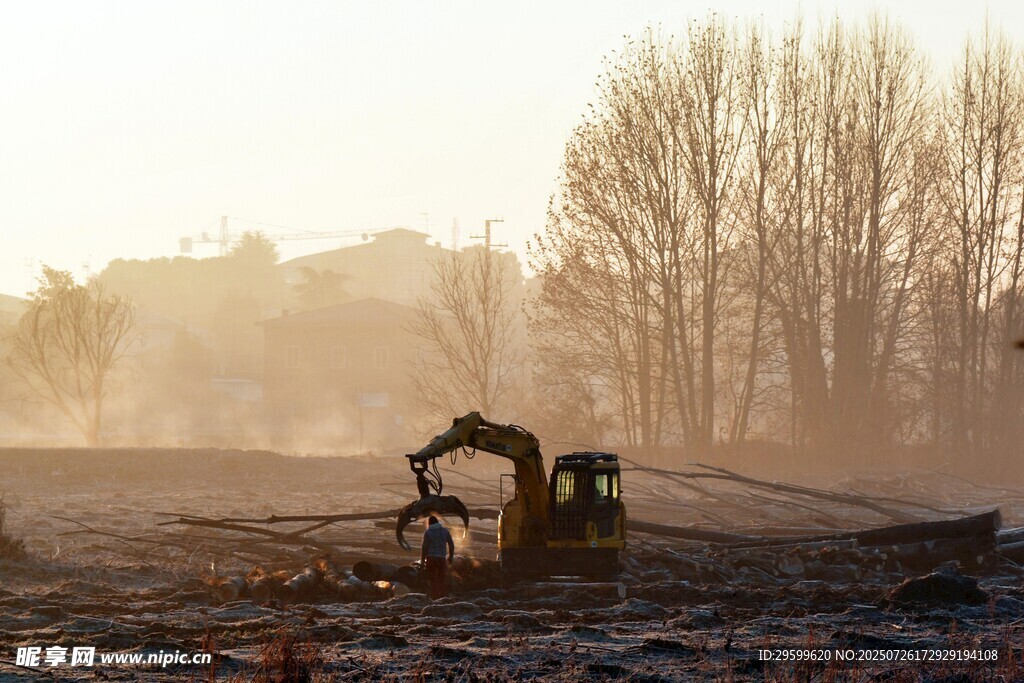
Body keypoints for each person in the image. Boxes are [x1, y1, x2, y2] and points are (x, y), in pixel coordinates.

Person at [420, 515, 455, 599]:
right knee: (442, 578)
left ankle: (435, 596)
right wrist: (450, 557)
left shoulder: (428, 532)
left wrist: (422, 561)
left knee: (432, 578)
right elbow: (451, 545)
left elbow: (424, 547)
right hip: (441, 558)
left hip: (431, 558)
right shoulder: (445, 531)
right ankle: (443, 596)